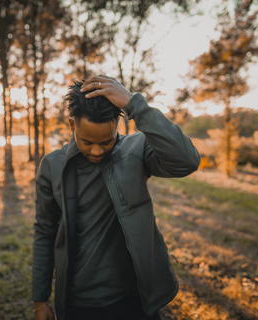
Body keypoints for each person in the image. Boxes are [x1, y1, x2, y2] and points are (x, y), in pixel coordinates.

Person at [32, 75, 200, 320]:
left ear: (117, 127)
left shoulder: (137, 150)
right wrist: (40, 299)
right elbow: (44, 231)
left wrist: (134, 104)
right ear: (72, 125)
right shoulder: (51, 165)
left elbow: (187, 161)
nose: (97, 151)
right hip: (78, 303)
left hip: (135, 299)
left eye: (107, 142)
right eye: (87, 142)